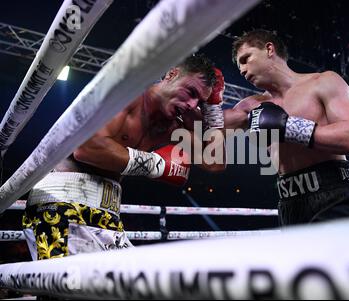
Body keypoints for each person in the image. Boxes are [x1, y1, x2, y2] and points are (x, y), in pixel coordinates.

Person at [22, 54, 226, 260]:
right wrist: (156, 165)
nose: (192, 104)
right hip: (60, 203)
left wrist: (214, 109)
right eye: (190, 92)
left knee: (126, 288)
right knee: (68, 288)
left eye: (199, 100)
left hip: (106, 212)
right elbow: (87, 148)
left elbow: (215, 163)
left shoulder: (175, 122)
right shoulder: (129, 93)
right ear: (171, 74)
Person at [225, 29, 349, 225]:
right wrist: (206, 96)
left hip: (333, 195)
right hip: (289, 202)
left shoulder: (323, 82)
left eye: (245, 59)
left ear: (269, 49)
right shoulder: (252, 106)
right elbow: (208, 127)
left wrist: (289, 127)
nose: (241, 70)